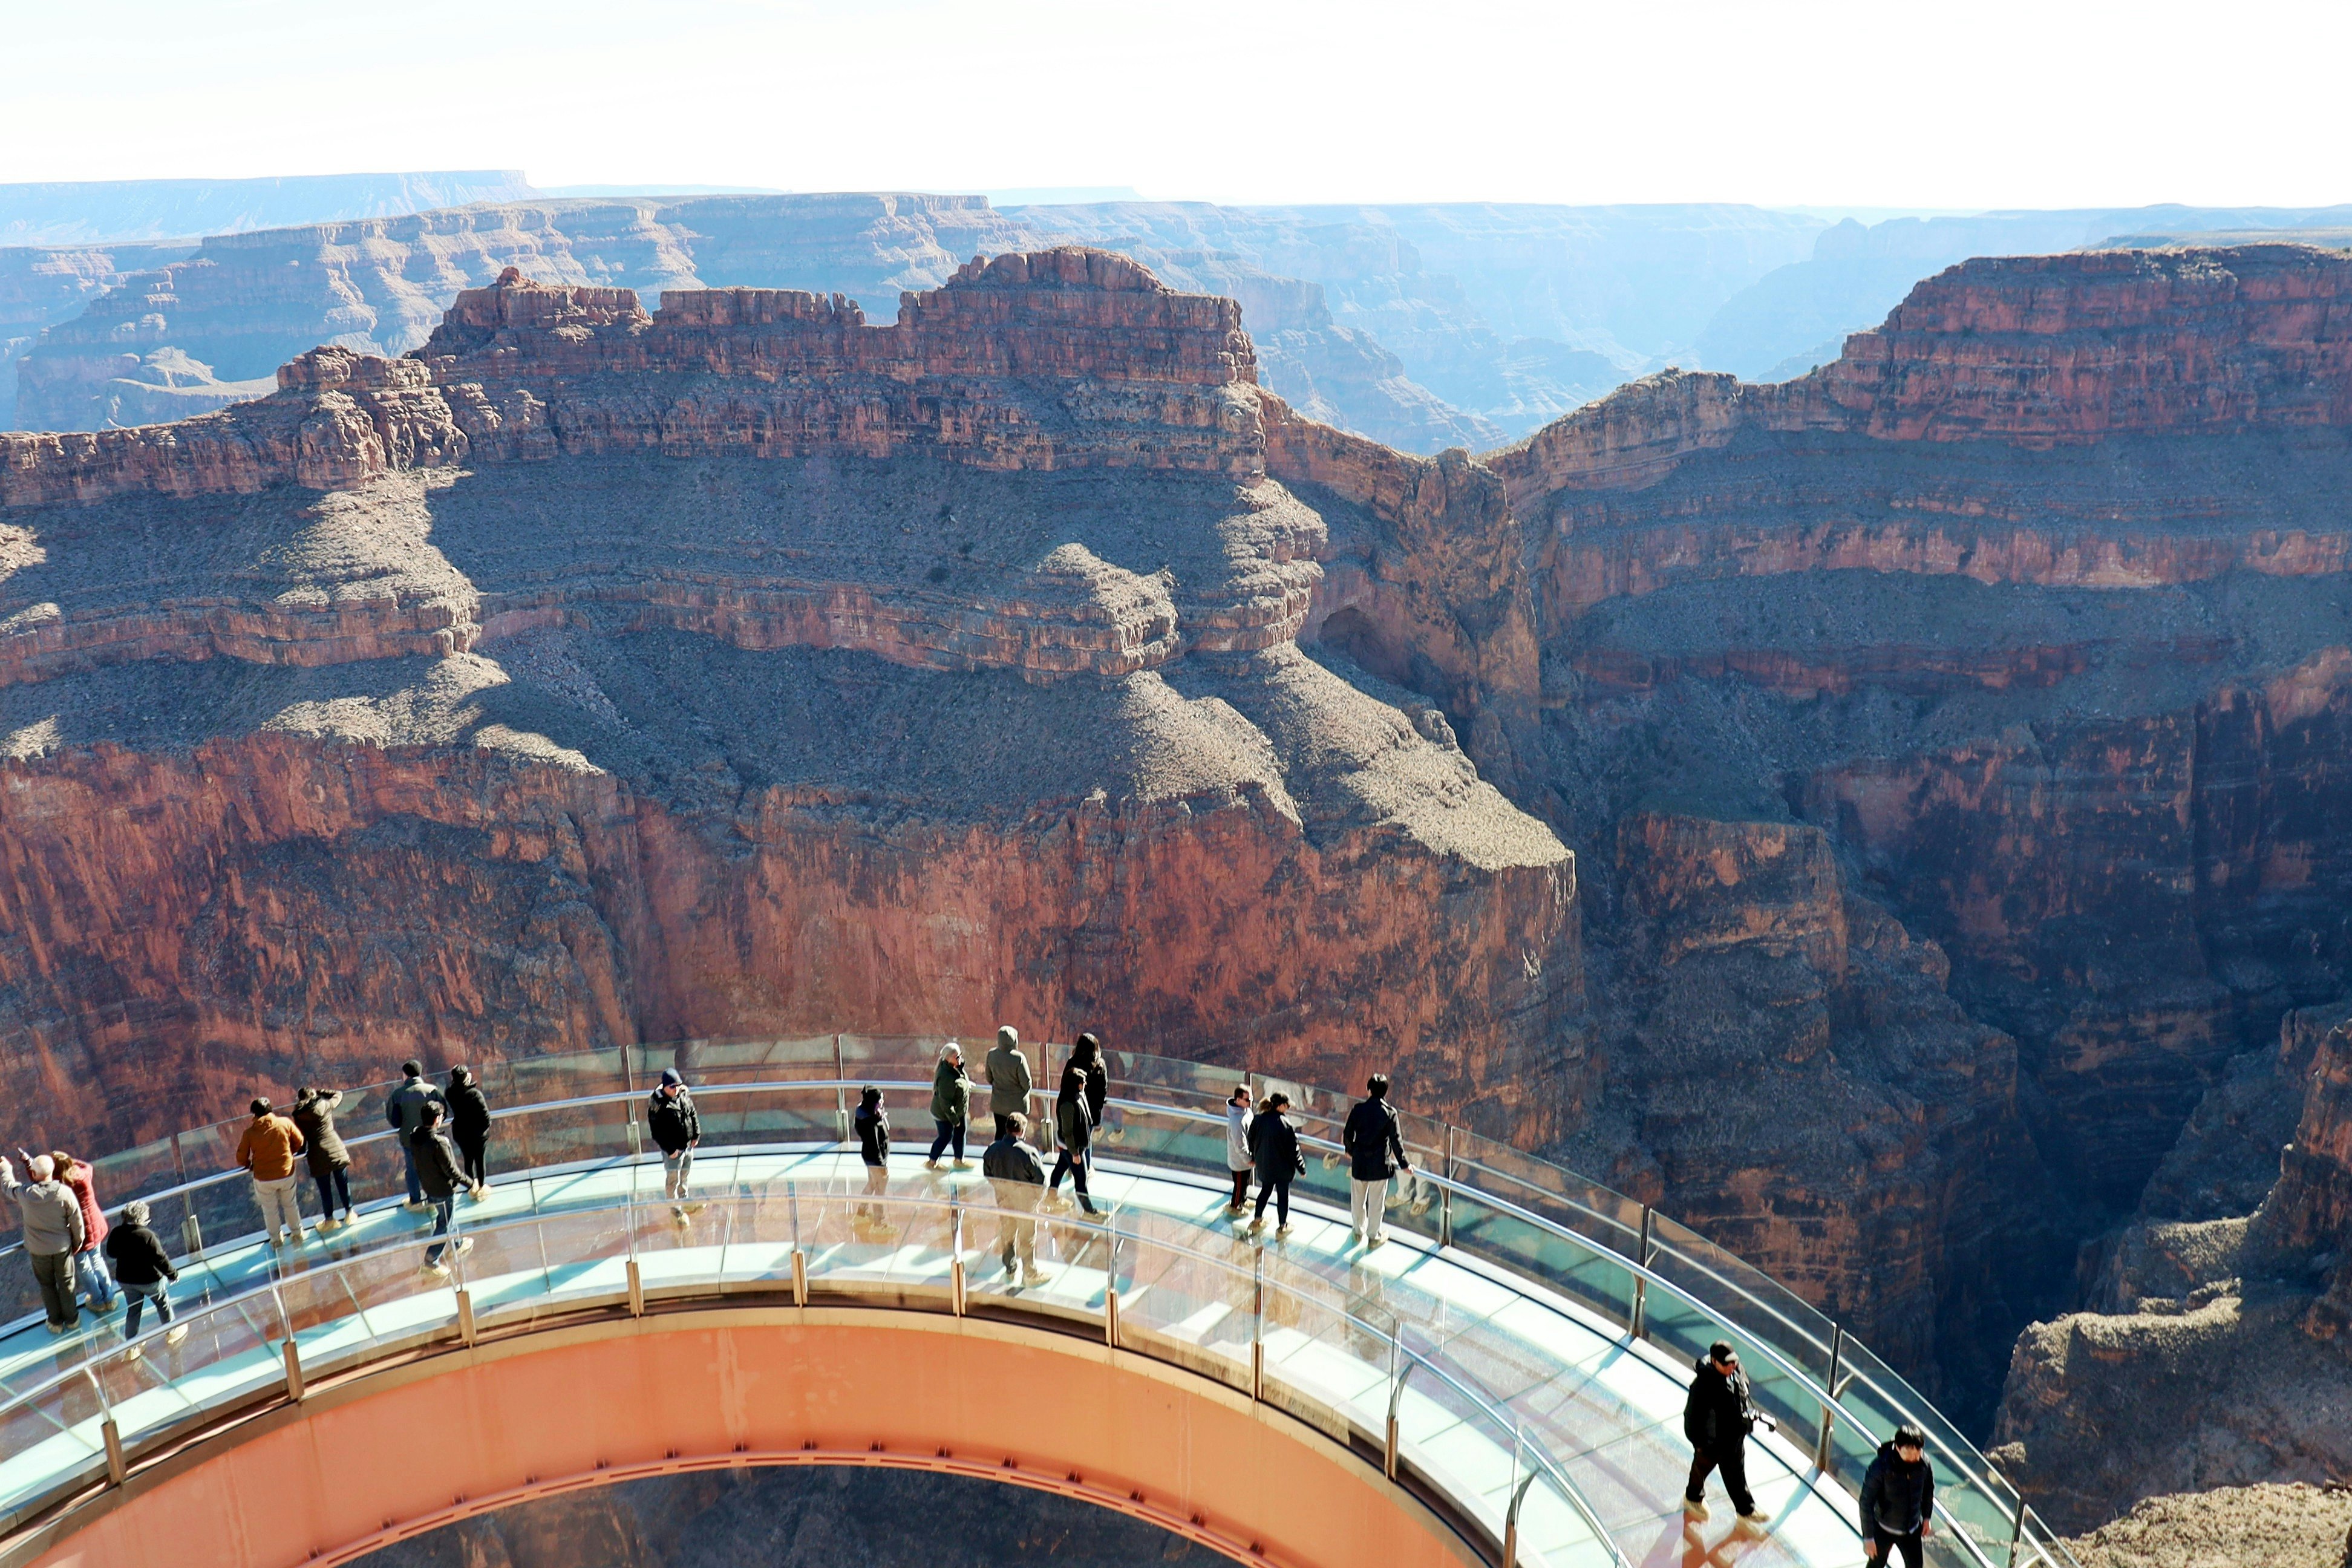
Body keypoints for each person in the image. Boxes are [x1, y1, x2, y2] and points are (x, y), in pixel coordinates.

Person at [1684, 1339, 1770, 1526]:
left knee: (1736, 1474)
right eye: (1726, 1363)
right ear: (1714, 1362)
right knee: (1701, 1470)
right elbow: (1692, 1416)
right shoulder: (1703, 1384)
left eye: (1734, 1362)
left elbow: (1742, 1389)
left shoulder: (1736, 1372)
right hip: (1712, 1442)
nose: (1732, 1366)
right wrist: (1700, 1443)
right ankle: (1692, 1497)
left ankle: (1746, 1510)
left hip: (1734, 1437)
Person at [1, 1153, 84, 1333]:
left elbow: (8, 1187)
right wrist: (77, 1242)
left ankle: (55, 1323)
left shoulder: (26, 1194)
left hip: (38, 1251)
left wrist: (6, 1169)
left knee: (47, 1285)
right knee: (67, 1283)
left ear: (34, 1173)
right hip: (62, 1248)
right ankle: (72, 1320)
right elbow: (77, 1220)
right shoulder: (64, 1193)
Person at [105, 1200, 186, 1354]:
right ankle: (171, 1331)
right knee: (162, 1304)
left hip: (126, 1280)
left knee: (133, 1311)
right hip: (149, 1280)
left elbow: (111, 1253)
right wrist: (172, 1274)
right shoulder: (148, 1235)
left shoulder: (117, 1232)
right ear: (142, 1219)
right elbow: (160, 1258)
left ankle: (132, 1345)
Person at [981, 1111, 1051, 1287]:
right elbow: (1040, 1180)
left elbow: (988, 1175)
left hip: (1004, 1201)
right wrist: (1036, 1199)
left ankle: (1010, 1267)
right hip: (1025, 1204)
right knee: (1027, 1238)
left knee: (1008, 1234)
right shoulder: (1029, 1153)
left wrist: (1001, 1190)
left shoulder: (992, 1150)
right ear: (1022, 1130)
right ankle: (1030, 1272)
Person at [1342, 1074, 1411, 1248]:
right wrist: (1404, 1165)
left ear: (1369, 1090)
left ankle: (1358, 1231)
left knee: (1358, 1200)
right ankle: (1374, 1236)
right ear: (1385, 1092)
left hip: (1360, 1163)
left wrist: (1350, 1151)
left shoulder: (1358, 1110)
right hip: (1380, 1164)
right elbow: (1396, 1141)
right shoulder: (1390, 1114)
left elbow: (1348, 1134)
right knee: (1376, 1203)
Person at [409, 1101, 473, 1276]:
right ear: (438, 1119)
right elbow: (452, 1170)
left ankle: (457, 1243)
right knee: (444, 1223)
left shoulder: (415, 1137)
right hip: (443, 1189)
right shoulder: (439, 1142)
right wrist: (472, 1183)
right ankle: (431, 1260)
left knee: (446, 1217)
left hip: (429, 1187)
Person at [236, 1096, 307, 1248]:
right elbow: (300, 1141)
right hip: (286, 1172)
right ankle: (297, 1233)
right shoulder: (285, 1123)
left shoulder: (249, 1133)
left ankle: (276, 1240)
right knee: (290, 1204)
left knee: (270, 1210)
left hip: (263, 1178)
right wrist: (289, 1154)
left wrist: (250, 1165)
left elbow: (241, 1159)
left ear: (254, 1114)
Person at [1860, 1423, 1936, 1566]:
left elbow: (1928, 1490)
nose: (1914, 1456)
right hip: (1884, 1528)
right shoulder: (1881, 1467)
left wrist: (1926, 1517)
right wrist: (1868, 1537)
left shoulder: (1924, 1464)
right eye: (1909, 1451)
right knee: (1876, 1565)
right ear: (1898, 1448)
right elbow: (1866, 1502)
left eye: (1918, 1450)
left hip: (1911, 1529)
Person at [51, 1152, 115, 1312]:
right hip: (94, 1223)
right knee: (97, 1260)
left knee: (84, 1266)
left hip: (76, 1229)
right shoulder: (83, 1175)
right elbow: (88, 1165)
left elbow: (38, 1181)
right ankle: (110, 1298)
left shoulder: (58, 1184)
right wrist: (71, 1160)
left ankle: (98, 1301)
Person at [1047, 1034, 1102, 1217]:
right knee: (1081, 1178)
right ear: (1077, 1085)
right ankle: (1089, 1210)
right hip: (1073, 1146)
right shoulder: (1069, 1105)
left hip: (1067, 1145)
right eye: (1083, 1083)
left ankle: (1051, 1196)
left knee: (1060, 1168)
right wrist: (1076, 1154)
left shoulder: (1077, 1096)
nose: (1086, 1085)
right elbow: (1069, 1132)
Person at [385, 1060, 448, 1212]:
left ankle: (416, 1201)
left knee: (412, 1170)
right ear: (420, 1073)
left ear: (405, 1075)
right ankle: (433, 1200)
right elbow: (444, 1112)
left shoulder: (397, 1095)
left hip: (410, 1140)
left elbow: (395, 1121)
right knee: (431, 1169)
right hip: (431, 1138)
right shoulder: (433, 1090)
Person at [292, 1086, 354, 1230]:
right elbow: (338, 1094)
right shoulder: (325, 1104)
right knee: (343, 1185)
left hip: (317, 1155)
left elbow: (302, 1139)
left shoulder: (299, 1115)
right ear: (314, 1096)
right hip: (335, 1150)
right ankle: (349, 1213)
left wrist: (301, 1152)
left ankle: (330, 1220)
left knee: (325, 1190)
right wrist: (321, 1092)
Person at [648, 1068, 701, 1218]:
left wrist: (696, 1135)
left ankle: (684, 1200)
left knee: (684, 1176)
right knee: (673, 1179)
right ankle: (674, 1208)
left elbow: (693, 1114)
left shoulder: (683, 1097)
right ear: (664, 1087)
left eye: (678, 1085)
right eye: (672, 1086)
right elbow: (657, 1133)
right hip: (673, 1151)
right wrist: (671, 1150)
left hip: (687, 1147)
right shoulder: (658, 1105)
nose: (676, 1089)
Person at [1248, 1091, 1303, 1236]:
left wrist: (1254, 1157)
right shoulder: (1286, 1124)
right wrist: (1301, 1168)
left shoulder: (1258, 1120)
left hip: (1265, 1166)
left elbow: (1251, 1140)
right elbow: (1294, 1150)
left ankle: (1257, 1219)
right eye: (1287, 1105)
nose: (1289, 1108)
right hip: (1283, 1170)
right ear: (1281, 1106)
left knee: (1265, 1191)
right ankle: (1282, 1225)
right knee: (1283, 1196)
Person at [447, 1065, 492, 1200]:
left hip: (461, 1133)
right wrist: (482, 1131)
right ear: (466, 1077)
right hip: (478, 1134)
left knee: (468, 1160)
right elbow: (486, 1117)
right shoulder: (475, 1094)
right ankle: (481, 1188)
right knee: (480, 1161)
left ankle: (471, 1187)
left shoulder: (450, 1093)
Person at [927, 1041, 972, 1169]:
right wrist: (954, 1120)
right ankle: (932, 1162)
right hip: (944, 1113)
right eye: (956, 1056)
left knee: (960, 1133)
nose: (959, 1059)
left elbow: (960, 1080)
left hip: (958, 1110)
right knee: (946, 1136)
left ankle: (959, 1160)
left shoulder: (956, 1067)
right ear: (948, 1058)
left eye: (959, 1056)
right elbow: (945, 1103)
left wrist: (967, 1084)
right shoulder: (945, 1076)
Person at [854, 1085, 891, 1230]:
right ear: (873, 1102)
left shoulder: (867, 1114)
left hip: (870, 1157)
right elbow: (874, 1144)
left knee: (872, 1184)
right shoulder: (870, 1122)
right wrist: (882, 1166)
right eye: (880, 1100)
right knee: (880, 1190)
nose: (882, 1102)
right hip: (875, 1160)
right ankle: (879, 1223)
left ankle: (861, 1213)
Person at [984, 1025, 1032, 1139]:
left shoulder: (992, 1055)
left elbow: (989, 1078)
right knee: (1017, 1136)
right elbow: (1027, 1084)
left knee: (1000, 1133)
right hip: (1017, 1106)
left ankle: (997, 1156)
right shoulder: (1018, 1058)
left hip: (999, 1104)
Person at [1224, 1084, 1254, 1212]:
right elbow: (1239, 1145)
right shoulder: (1237, 1121)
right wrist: (1248, 1159)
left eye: (1251, 1099)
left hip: (1246, 1159)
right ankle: (1235, 1206)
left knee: (1244, 1183)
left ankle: (1243, 1200)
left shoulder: (1246, 1111)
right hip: (1240, 1161)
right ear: (1238, 1100)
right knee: (1239, 1186)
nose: (1250, 1102)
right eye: (1247, 1100)